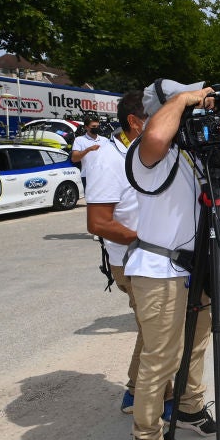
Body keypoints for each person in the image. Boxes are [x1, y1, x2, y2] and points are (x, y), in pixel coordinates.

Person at [122, 79, 220, 440]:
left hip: (195, 266)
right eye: (187, 103)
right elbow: (156, 135)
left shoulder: (192, 151)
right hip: (158, 269)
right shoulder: (146, 151)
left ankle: (190, 406)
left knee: (196, 344)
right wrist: (183, 98)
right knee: (161, 357)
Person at [83, 90, 173, 418]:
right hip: (133, 261)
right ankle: (160, 403)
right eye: (158, 117)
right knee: (159, 333)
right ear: (135, 122)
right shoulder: (108, 159)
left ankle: (136, 393)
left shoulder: (144, 153)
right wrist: (150, 241)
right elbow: (98, 222)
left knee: (154, 331)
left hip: (157, 258)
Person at [71, 116, 110, 188]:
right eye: (93, 126)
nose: (96, 128)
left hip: (103, 175)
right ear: (86, 127)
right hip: (87, 176)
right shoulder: (79, 140)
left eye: (98, 126)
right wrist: (88, 150)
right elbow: (74, 158)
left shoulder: (105, 140)